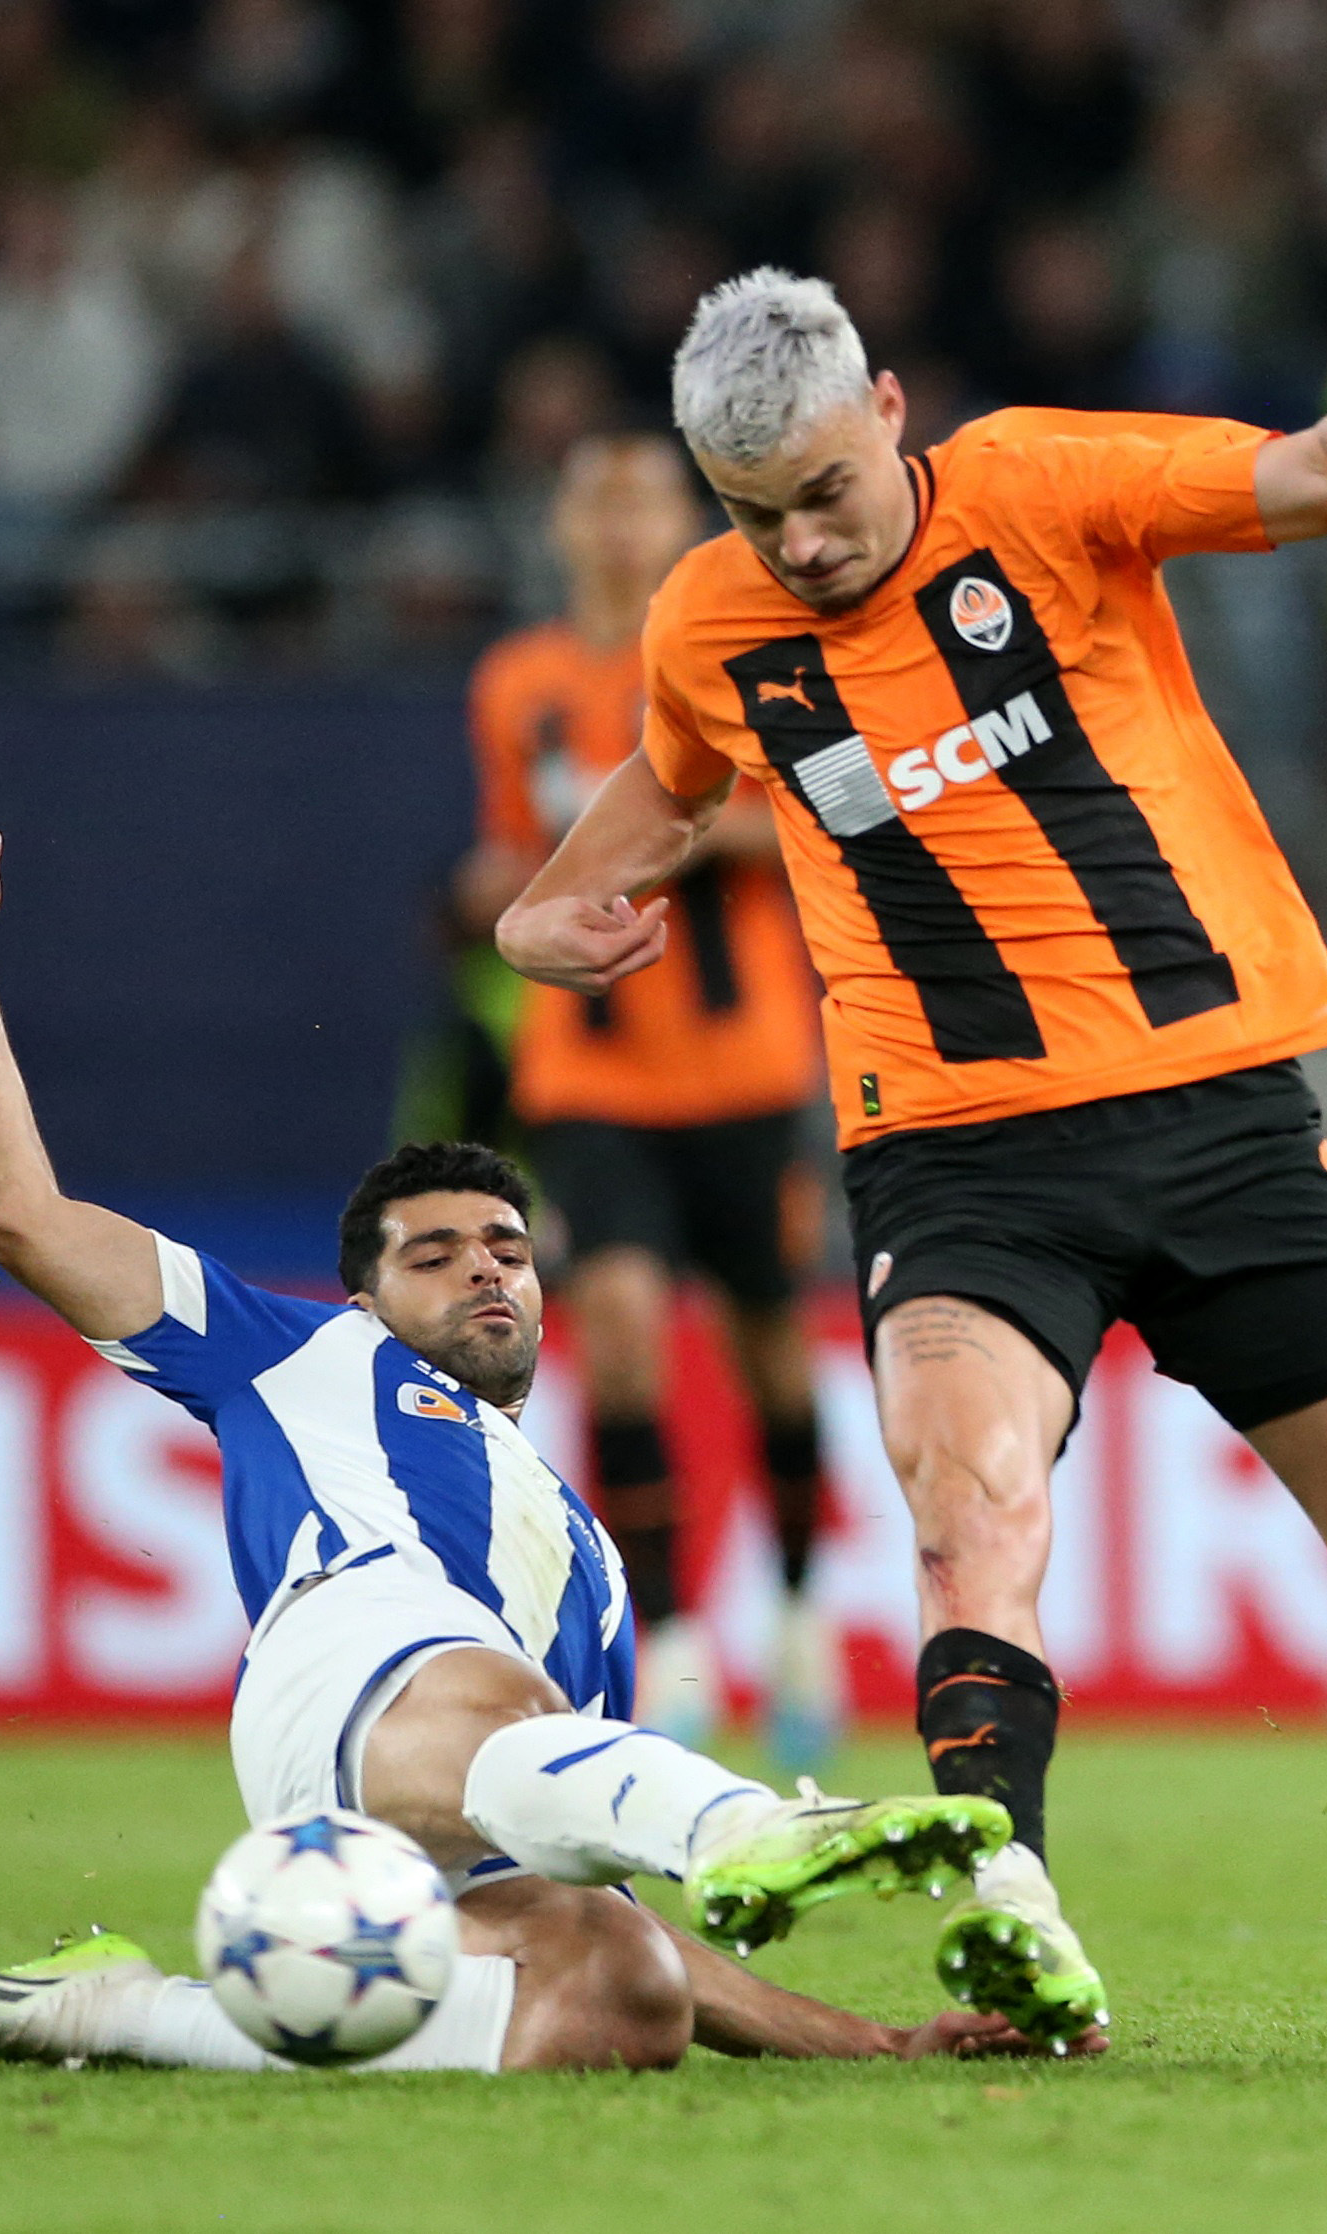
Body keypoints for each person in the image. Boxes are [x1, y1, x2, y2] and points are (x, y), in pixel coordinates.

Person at [498, 269, 1327, 2062]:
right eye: (752, 516)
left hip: (1216, 1111)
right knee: (969, 1510)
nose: (795, 544)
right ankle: (1009, 1895)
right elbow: (663, 780)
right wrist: (542, 905)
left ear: (886, 408)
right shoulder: (704, 618)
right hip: (952, 1149)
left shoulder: (1041, 483)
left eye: (820, 493)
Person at [0, 732, 1052, 2076]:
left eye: (504, 1246)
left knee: (621, 1989)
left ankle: (124, 2011)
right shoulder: (293, 1352)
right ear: (364, 1298)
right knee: (508, 1710)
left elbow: (604, 1874)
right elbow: (16, 1215)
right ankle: (744, 1826)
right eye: (432, 1255)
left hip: (452, 1798)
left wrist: (887, 2041)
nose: (483, 1268)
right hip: (358, 1659)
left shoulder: (585, 1567)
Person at [456, 433, 835, 1766]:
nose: (620, 526)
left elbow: (806, 819)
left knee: (769, 1350)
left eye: (643, 503)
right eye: (597, 501)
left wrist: (655, 831)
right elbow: (513, 857)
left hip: (745, 1064)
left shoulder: (741, 654)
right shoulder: (519, 683)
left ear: (686, 519)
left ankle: (798, 1610)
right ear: (564, 526)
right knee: (615, 1328)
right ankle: (670, 1644)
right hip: (588, 1070)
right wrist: (504, 882)